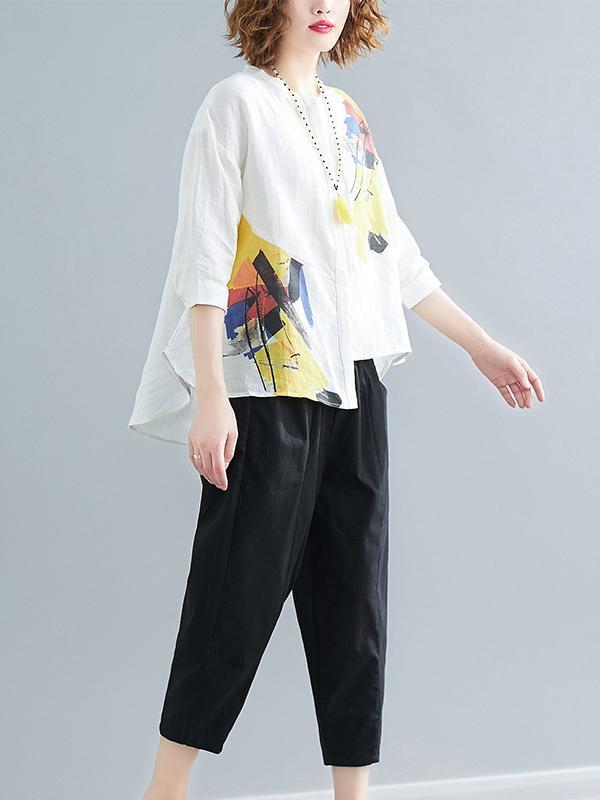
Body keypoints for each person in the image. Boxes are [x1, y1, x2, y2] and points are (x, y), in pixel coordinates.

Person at [129, 1, 545, 798]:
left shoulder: (346, 116)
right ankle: (164, 793)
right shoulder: (235, 105)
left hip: (354, 383)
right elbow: (204, 255)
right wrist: (211, 393)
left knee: (355, 603)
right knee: (233, 598)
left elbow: (394, 256)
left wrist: (480, 346)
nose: (324, 4)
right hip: (269, 383)